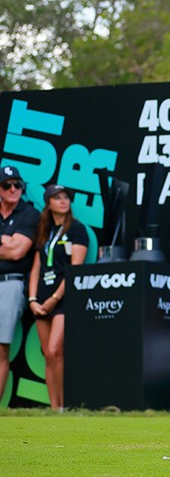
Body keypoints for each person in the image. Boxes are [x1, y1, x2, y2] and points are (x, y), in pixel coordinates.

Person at [26, 184, 87, 410]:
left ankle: (63, 407)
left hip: (63, 297)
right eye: (57, 197)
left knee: (55, 350)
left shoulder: (77, 229)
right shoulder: (44, 230)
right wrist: (32, 299)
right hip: (41, 298)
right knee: (48, 355)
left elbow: (75, 269)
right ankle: (54, 408)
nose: (63, 201)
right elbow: (36, 268)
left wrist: (55, 297)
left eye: (66, 198)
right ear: (48, 203)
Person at [0, 166, 40, 403]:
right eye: (7, 185)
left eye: (18, 185)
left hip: (10, 283)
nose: (14, 189)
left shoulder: (29, 213)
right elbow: (10, 246)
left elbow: (17, 252)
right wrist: (7, 242)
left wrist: (9, 244)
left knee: (1, 348)